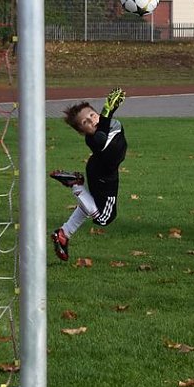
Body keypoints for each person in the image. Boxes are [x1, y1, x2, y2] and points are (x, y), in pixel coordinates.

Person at [50, 88, 127, 261]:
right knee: (104, 217)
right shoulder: (93, 138)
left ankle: (64, 233)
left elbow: (104, 131)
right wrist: (107, 112)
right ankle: (75, 184)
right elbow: (100, 138)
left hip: (98, 171)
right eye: (85, 122)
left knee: (89, 204)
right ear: (82, 131)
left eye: (92, 115)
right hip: (104, 178)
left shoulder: (109, 126)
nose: (91, 121)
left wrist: (108, 113)